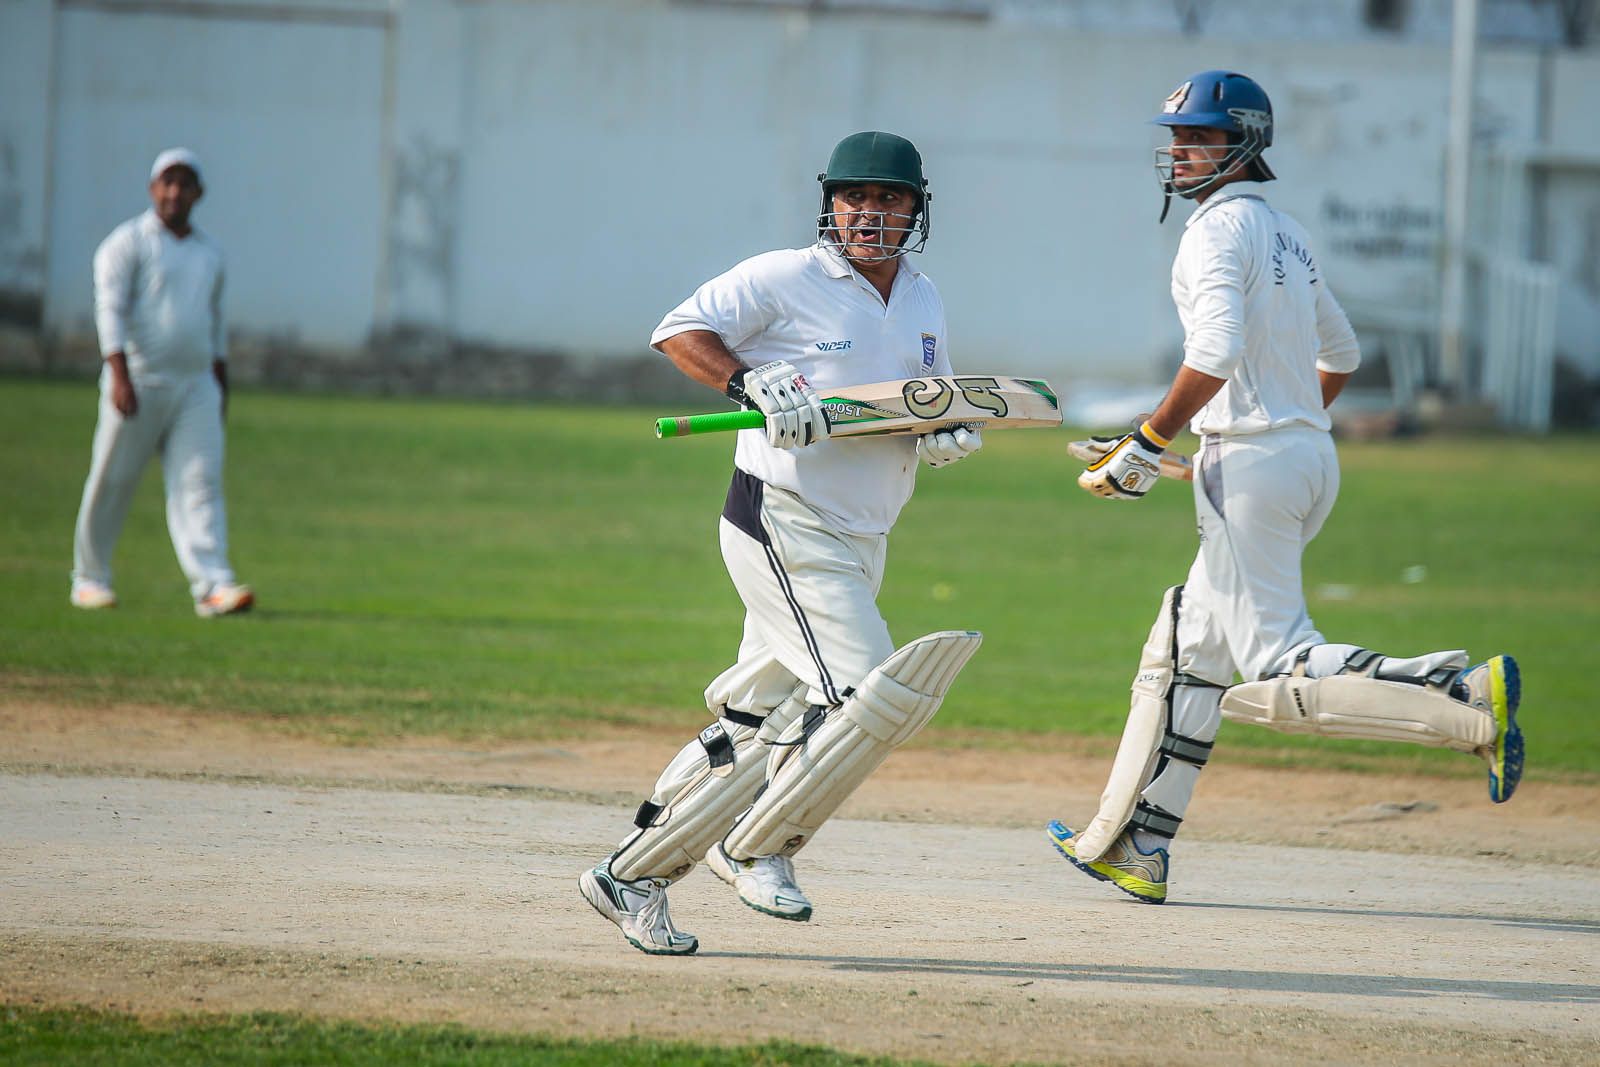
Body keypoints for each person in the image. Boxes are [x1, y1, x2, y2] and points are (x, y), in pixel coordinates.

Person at [1047, 71, 1524, 904]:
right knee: (1190, 648)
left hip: (1255, 461)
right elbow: (1342, 354)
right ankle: (1139, 843)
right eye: (1176, 137)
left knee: (1275, 663)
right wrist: (1280, 428)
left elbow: (1216, 350)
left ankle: (1460, 694)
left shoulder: (1213, 231)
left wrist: (1151, 439)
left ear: (1245, 143)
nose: (1180, 152)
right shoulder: (1287, 232)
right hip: (1301, 456)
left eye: (1200, 138)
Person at [578, 131, 985, 955]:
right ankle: (758, 845)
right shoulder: (783, 276)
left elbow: (921, 396)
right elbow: (678, 330)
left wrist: (943, 426)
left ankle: (631, 874)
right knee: (870, 694)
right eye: (853, 197)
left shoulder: (923, 297)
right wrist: (746, 381)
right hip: (783, 514)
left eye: (889, 198)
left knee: (757, 718)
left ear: (917, 209)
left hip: (866, 531)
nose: (869, 213)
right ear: (829, 203)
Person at [70, 148, 254, 618]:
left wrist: (219, 387)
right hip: (139, 380)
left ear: (198, 193)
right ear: (153, 188)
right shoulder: (126, 244)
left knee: (200, 484)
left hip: (195, 386)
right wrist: (119, 374)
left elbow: (215, 327)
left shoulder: (209, 254)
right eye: (167, 182)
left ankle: (213, 585)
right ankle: (90, 579)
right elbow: (110, 310)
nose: (175, 192)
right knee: (113, 479)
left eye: (184, 184)